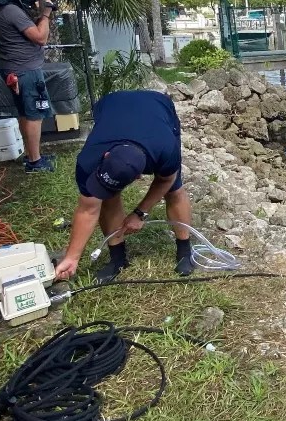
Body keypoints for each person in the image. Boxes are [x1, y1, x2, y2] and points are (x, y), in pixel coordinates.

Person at [53, 90, 194, 282]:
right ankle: (118, 259)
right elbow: (88, 209)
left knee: (174, 190)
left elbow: (166, 180)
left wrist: (140, 213)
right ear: (105, 156)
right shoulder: (88, 160)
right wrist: (71, 257)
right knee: (108, 195)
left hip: (157, 107)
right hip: (112, 103)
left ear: (137, 177)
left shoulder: (165, 148)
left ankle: (185, 250)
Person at [0, 0, 56, 173]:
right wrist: (45, 13)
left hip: (12, 69)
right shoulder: (11, 11)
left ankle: (32, 155)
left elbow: (20, 32)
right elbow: (40, 37)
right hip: (26, 71)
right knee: (35, 115)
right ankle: (35, 162)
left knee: (26, 113)